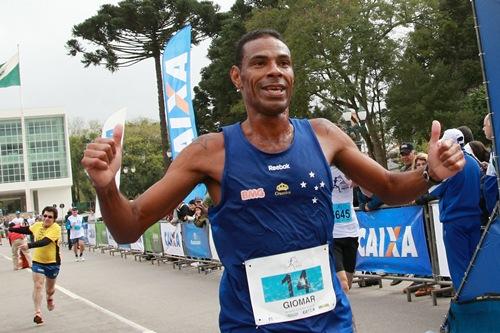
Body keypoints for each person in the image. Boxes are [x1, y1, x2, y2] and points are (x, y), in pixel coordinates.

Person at [82, 29, 464, 332]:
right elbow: (129, 227)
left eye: (284, 62)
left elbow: (389, 187)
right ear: (238, 76)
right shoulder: (208, 152)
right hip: (252, 324)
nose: (275, 71)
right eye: (260, 63)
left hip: (330, 320)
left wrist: (429, 173)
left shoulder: (324, 134)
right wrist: (106, 186)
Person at [430, 128, 482, 289]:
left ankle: (464, 305)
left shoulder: (450, 165)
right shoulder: (474, 163)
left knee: (459, 266)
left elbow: (431, 190)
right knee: (475, 265)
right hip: (474, 219)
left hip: (454, 221)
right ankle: (478, 298)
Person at [8, 206, 61, 325]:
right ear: (42, 216)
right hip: (38, 262)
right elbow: (26, 229)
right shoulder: (37, 225)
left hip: (53, 263)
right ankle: (37, 313)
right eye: (45, 216)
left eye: (50, 217)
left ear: (54, 219)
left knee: (50, 290)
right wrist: (12, 229)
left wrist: (29, 245)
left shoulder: (56, 228)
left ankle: (49, 298)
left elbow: (45, 241)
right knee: (38, 285)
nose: (47, 218)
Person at [331, 166, 359, 293]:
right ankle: (343, 312)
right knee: (343, 283)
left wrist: (360, 178)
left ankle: (340, 308)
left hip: (351, 232)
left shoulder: (349, 166)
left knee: (348, 283)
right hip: (333, 234)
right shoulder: (320, 168)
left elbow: (368, 193)